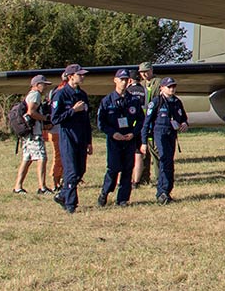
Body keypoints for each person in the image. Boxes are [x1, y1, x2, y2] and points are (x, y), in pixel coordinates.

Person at [48, 65, 94, 214]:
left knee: (80, 170)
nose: (82, 77)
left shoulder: (83, 95)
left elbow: (86, 120)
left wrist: (89, 141)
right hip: (68, 137)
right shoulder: (60, 95)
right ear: (70, 76)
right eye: (79, 74)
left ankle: (62, 195)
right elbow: (55, 118)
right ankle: (71, 204)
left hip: (81, 137)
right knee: (71, 171)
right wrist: (72, 111)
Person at [97, 68, 145, 206]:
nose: (123, 82)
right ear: (115, 80)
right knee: (113, 168)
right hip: (114, 139)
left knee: (127, 169)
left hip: (129, 139)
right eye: (121, 79)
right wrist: (113, 133)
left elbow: (141, 120)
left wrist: (134, 133)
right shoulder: (107, 101)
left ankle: (123, 199)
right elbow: (101, 123)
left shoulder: (133, 100)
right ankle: (105, 192)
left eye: (126, 80)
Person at [144, 76, 189, 203]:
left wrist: (185, 123)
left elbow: (183, 117)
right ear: (161, 88)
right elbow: (146, 123)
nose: (172, 89)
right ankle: (161, 192)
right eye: (169, 87)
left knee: (169, 163)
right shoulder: (156, 102)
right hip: (160, 134)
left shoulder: (177, 102)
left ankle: (167, 192)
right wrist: (143, 141)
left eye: (174, 86)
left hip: (171, 134)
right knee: (164, 160)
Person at [14, 74, 52, 194]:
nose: (45, 87)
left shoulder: (30, 95)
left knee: (27, 159)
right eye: (44, 84)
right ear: (37, 85)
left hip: (28, 134)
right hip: (34, 134)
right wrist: (45, 118)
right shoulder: (35, 95)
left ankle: (18, 187)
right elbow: (31, 112)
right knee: (42, 158)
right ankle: (42, 187)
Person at [134, 62, 157, 186]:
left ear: (151, 70)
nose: (144, 74)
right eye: (142, 72)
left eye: (146, 71)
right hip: (142, 123)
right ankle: (143, 178)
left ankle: (160, 177)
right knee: (143, 151)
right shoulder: (140, 85)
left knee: (156, 151)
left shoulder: (158, 83)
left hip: (154, 122)